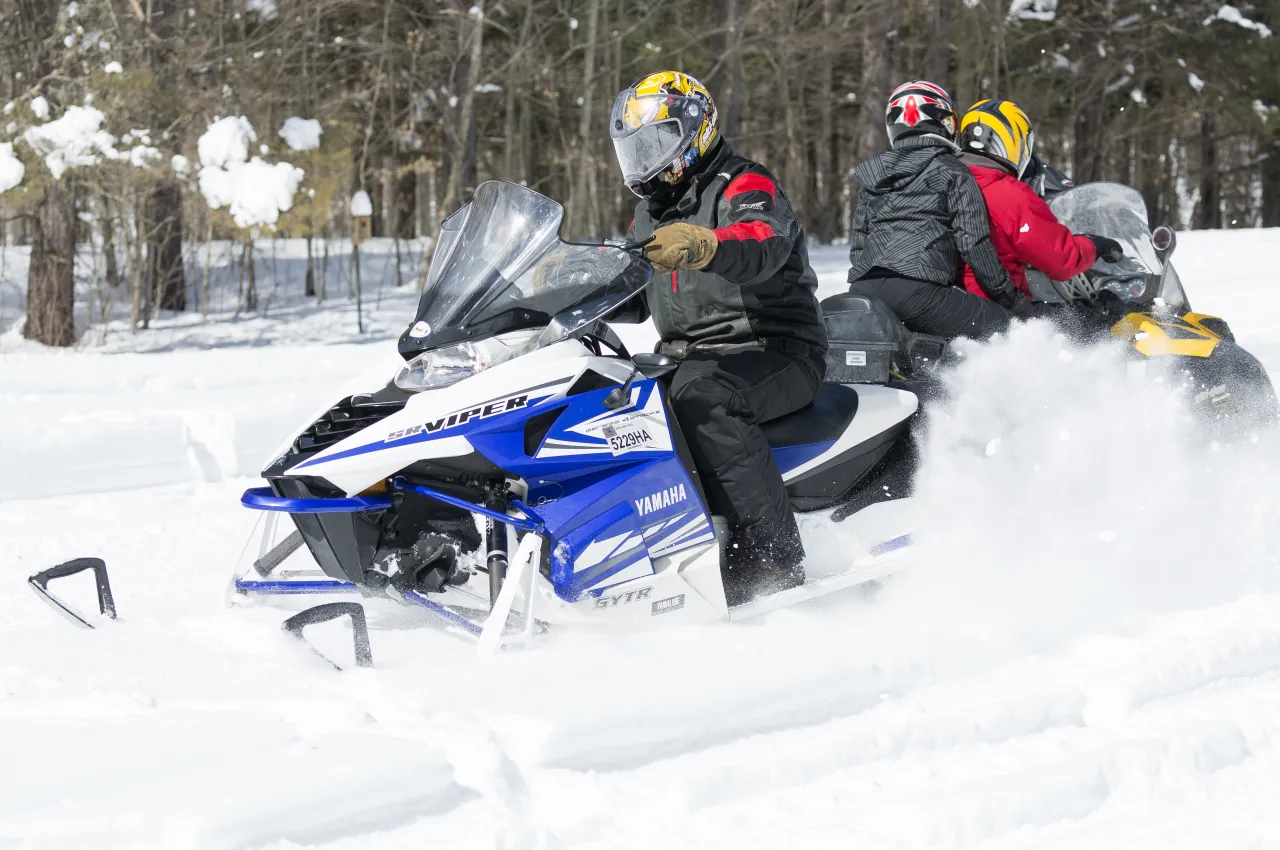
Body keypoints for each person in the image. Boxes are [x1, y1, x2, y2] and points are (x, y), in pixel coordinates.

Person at [608, 70, 827, 605]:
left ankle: (772, 565)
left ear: (695, 130)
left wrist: (704, 243)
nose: (647, 160)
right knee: (613, 402)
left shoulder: (745, 184)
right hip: (691, 355)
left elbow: (761, 243)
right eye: (637, 149)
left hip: (775, 348)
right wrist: (566, 289)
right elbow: (637, 293)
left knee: (705, 398)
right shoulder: (651, 212)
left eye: (656, 143)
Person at [846, 80, 1030, 341]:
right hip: (919, 291)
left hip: (863, 289)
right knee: (1013, 331)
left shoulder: (873, 176)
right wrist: (1009, 298)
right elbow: (973, 244)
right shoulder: (952, 171)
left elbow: (858, 247)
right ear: (945, 121)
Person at [954, 99, 1123, 301]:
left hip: (955, 305)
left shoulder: (946, 182)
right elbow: (1061, 260)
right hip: (997, 308)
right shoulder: (1010, 193)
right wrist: (1094, 245)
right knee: (1088, 317)